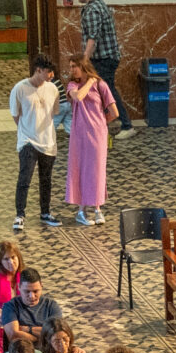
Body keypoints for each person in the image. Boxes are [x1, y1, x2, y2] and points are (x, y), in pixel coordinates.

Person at [8, 54, 62, 231]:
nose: (51, 75)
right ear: (38, 70)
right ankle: (20, 214)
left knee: (46, 179)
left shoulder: (52, 89)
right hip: (27, 142)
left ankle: (45, 212)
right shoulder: (20, 89)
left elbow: (54, 112)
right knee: (25, 178)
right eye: (48, 72)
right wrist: (27, 130)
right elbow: (16, 116)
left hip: (48, 142)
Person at [74, 0, 132, 134]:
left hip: (104, 59)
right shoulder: (96, 4)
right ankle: (104, 123)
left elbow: (93, 38)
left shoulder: (93, 9)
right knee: (103, 91)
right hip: (106, 57)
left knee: (108, 91)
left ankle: (127, 125)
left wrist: (84, 59)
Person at [60, 56, 113, 226]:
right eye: (71, 66)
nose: (72, 69)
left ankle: (97, 208)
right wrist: (89, 82)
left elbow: (114, 112)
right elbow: (78, 97)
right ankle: (81, 210)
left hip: (97, 136)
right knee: (80, 169)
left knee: (97, 170)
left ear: (84, 66)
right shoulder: (72, 85)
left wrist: (100, 123)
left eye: (75, 66)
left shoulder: (101, 85)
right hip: (79, 136)